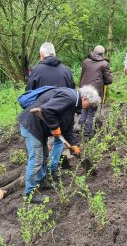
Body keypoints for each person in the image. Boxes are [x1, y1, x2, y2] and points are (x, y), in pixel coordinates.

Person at [18, 85, 101, 203]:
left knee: (44, 156)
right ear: (85, 99)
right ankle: (29, 194)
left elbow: (68, 126)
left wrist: (73, 144)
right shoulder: (69, 97)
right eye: (90, 105)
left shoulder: (73, 102)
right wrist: (55, 127)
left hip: (39, 128)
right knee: (36, 159)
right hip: (32, 126)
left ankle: (41, 182)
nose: (88, 108)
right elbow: (47, 110)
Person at [26, 42, 76, 177]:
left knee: (41, 144)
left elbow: (28, 94)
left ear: (42, 55)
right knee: (59, 139)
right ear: (54, 54)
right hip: (61, 113)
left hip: (41, 114)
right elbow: (72, 92)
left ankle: (42, 174)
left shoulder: (36, 71)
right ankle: (52, 169)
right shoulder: (66, 70)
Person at [79, 45, 113, 138]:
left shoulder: (85, 62)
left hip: (83, 90)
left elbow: (82, 75)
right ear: (102, 54)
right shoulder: (104, 64)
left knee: (84, 109)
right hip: (94, 93)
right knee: (91, 113)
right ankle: (87, 135)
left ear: (94, 52)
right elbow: (109, 80)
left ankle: (81, 128)